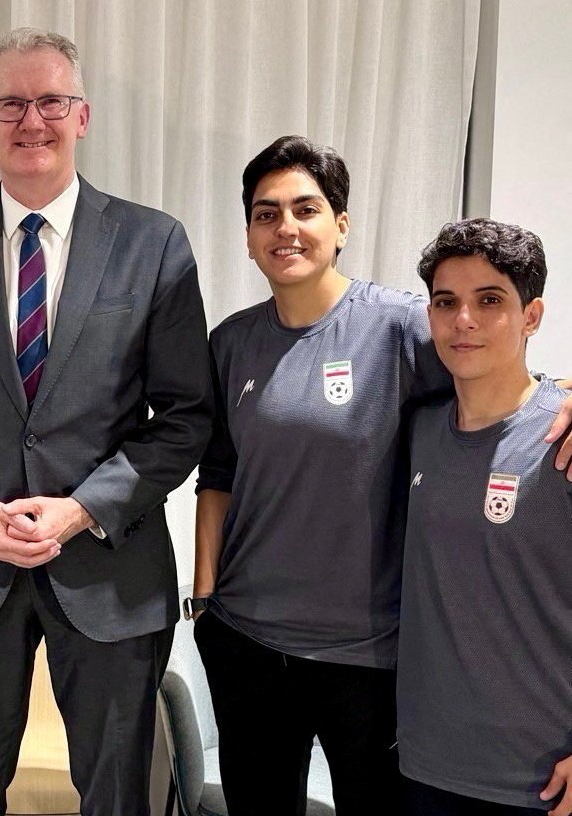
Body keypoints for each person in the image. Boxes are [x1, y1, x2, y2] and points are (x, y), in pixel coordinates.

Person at [192, 137, 572, 816]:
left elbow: (494, 371)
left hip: (369, 658)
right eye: (264, 213)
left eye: (304, 208)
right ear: (247, 235)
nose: (285, 227)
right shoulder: (231, 342)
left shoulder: (401, 326)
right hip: (246, 640)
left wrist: (566, 394)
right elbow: (216, 471)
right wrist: (204, 599)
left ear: (340, 225)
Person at [0, 28, 213, 815]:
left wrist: (80, 509)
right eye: (10, 104)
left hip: (110, 567)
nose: (31, 121)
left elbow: (183, 415)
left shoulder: (152, 242)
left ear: (82, 115)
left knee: (117, 793)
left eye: (50, 102)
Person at [398, 218, 572, 816]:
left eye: (489, 301)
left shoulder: (562, 439)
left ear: (532, 316)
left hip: (539, 780)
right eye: (446, 302)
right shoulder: (418, 430)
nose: (463, 320)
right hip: (423, 765)